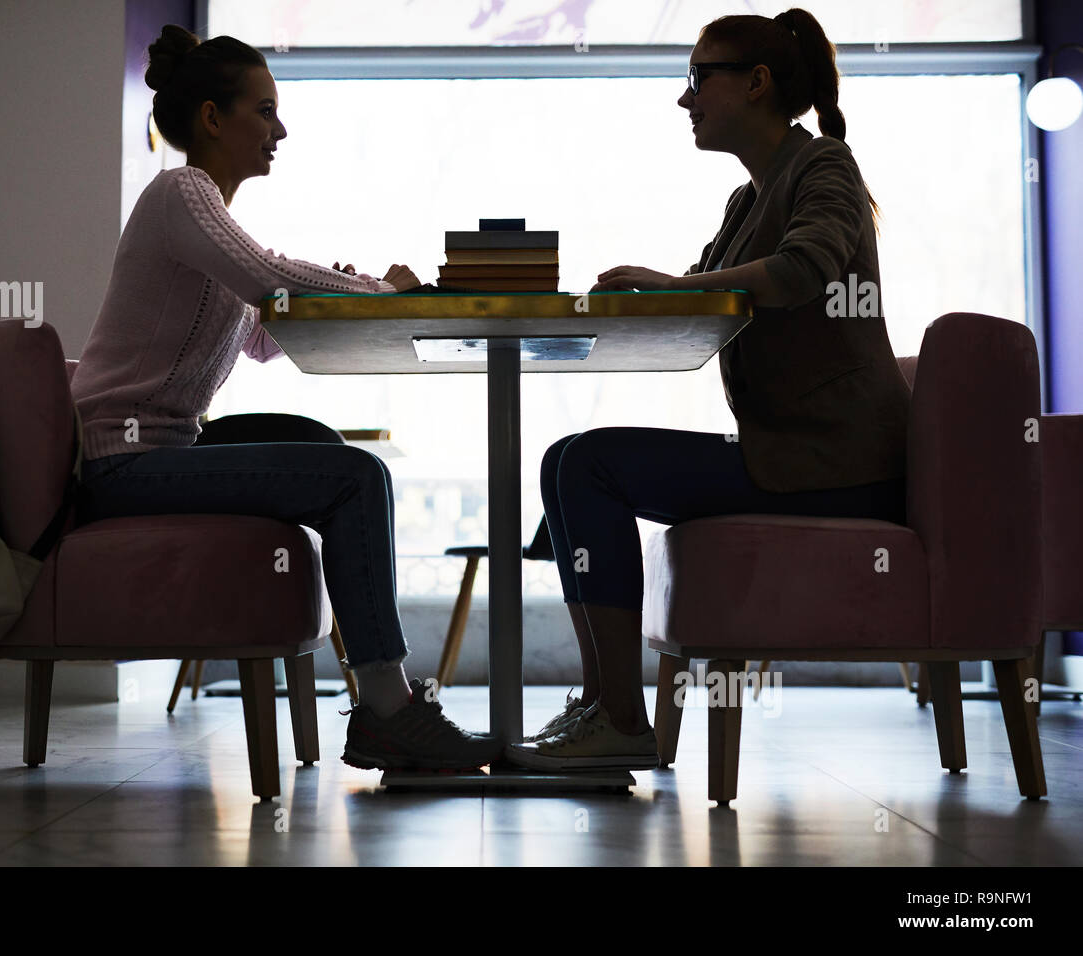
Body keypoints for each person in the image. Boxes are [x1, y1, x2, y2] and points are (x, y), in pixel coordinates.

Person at [71, 25, 499, 771]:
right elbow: (267, 277)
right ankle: (387, 707)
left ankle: (375, 697)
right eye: (264, 110)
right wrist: (381, 290)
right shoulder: (182, 192)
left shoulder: (211, 220)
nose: (281, 128)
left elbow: (264, 331)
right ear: (212, 118)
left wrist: (312, 300)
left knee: (325, 451)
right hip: (123, 465)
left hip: (166, 451)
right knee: (357, 477)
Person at [510, 8, 911, 770]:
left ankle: (620, 720)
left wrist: (671, 286)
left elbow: (802, 272)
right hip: (788, 455)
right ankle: (603, 709)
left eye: (699, 77)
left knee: (588, 464)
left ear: (756, 83)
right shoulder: (746, 200)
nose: (685, 99)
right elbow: (702, 305)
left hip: (837, 468)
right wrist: (638, 302)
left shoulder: (824, 165)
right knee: (566, 457)